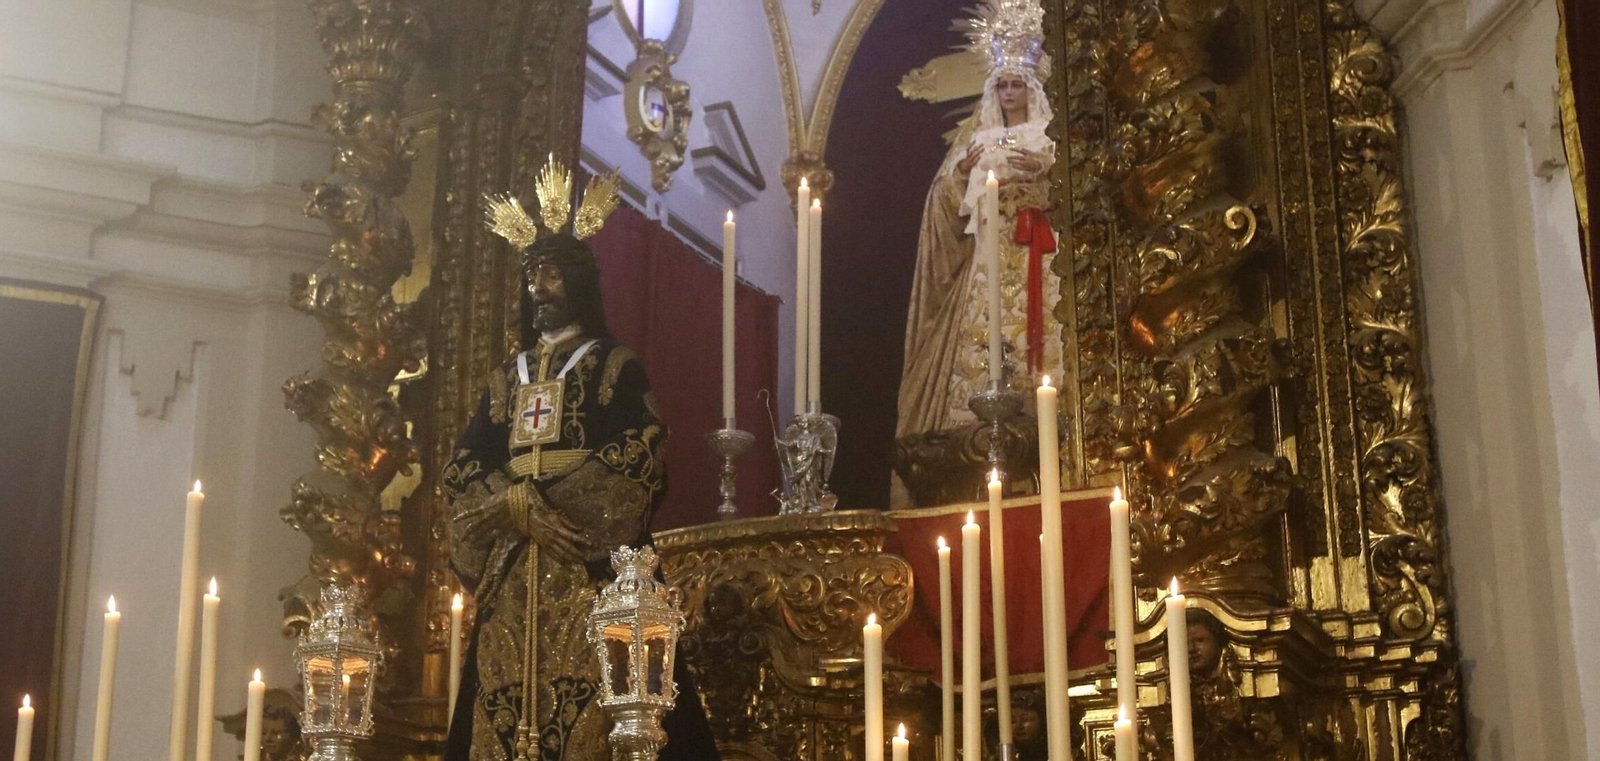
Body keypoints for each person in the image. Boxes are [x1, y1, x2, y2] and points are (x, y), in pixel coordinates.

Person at [441, 170, 718, 761]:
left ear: (581, 283)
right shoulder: (503, 380)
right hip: (515, 571)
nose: (540, 286)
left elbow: (638, 451)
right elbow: (464, 465)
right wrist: (512, 505)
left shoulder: (614, 366)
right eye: (531, 275)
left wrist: (544, 505)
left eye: (553, 273)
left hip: (586, 565)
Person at [897, 0, 1060, 444]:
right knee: (981, 350)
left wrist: (1047, 172)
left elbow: (1076, 194)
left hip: (1042, 257)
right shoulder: (977, 140)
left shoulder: (1051, 136)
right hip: (988, 257)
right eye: (1002, 85)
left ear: (1031, 88)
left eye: (1017, 85)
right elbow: (946, 201)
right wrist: (965, 174)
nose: (1009, 94)